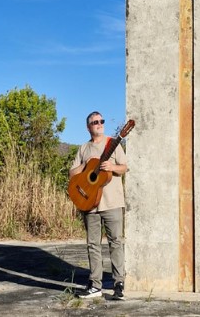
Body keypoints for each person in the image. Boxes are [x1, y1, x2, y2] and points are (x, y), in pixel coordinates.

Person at [69, 111, 127, 299]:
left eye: (101, 120)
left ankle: (119, 284)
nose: (99, 124)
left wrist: (112, 167)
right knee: (93, 245)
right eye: (95, 122)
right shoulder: (84, 148)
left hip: (112, 202)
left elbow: (124, 167)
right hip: (89, 203)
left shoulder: (113, 143)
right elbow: (72, 173)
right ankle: (95, 285)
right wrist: (85, 166)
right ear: (88, 127)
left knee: (115, 242)